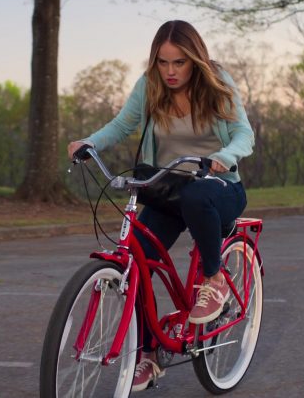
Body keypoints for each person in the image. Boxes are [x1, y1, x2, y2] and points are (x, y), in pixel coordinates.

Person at [66, 20, 254, 392]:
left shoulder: (217, 83)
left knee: (196, 195)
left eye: (179, 63)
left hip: (218, 188)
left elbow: (243, 134)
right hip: (167, 189)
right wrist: (89, 142)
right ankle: (149, 355)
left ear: (195, 60)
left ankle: (213, 279)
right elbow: (121, 126)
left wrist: (222, 156)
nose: (170, 71)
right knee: (137, 262)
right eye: (162, 62)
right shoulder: (150, 86)